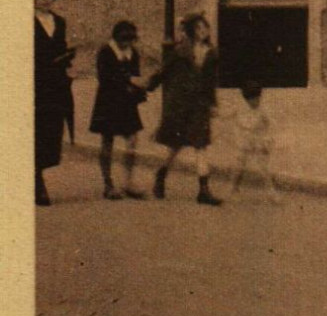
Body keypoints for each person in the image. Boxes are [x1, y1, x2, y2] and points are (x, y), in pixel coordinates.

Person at [151, 13, 222, 205]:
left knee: (201, 146)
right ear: (192, 31)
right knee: (175, 146)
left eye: (205, 28)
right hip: (181, 105)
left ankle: (204, 191)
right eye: (199, 29)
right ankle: (161, 174)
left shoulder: (211, 53)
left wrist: (213, 104)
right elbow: (163, 72)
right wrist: (148, 85)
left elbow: (210, 82)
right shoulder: (180, 51)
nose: (203, 31)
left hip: (199, 106)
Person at [89, 21, 152, 200]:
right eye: (124, 40)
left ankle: (128, 182)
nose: (127, 44)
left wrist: (140, 88)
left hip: (126, 103)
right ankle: (108, 184)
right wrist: (130, 81)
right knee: (107, 141)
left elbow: (136, 74)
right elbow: (104, 78)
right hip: (109, 101)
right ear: (116, 38)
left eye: (130, 40)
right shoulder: (106, 52)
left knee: (132, 139)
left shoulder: (133, 53)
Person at [34, 0, 76, 206]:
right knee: (37, 130)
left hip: (56, 85)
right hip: (36, 83)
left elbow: (60, 48)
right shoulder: (27, 20)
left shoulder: (59, 22)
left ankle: (39, 174)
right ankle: (37, 182)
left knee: (52, 130)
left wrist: (68, 62)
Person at [225, 81, 278, 200]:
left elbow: (270, 125)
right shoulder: (240, 108)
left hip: (258, 139)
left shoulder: (263, 110)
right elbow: (228, 114)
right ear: (246, 100)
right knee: (238, 166)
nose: (255, 102)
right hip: (243, 140)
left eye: (258, 99)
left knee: (263, 167)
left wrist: (267, 141)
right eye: (252, 100)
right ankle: (233, 188)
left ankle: (271, 192)